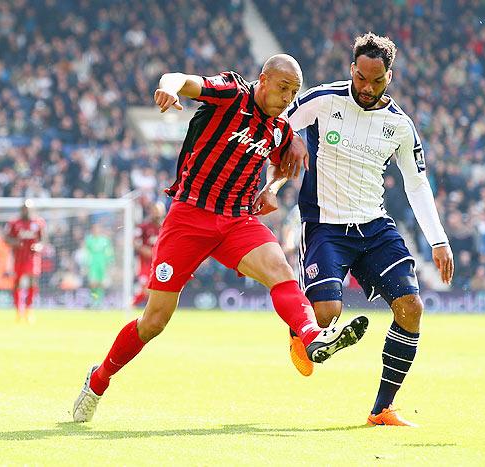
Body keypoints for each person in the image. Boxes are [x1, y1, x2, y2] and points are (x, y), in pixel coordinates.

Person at [72, 54, 368, 422]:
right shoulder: (231, 93)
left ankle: (311, 336)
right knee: (154, 322)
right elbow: (179, 74)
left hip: (236, 221)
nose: (287, 98)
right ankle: (98, 380)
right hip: (190, 217)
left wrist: (272, 186)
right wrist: (167, 87)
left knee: (280, 269)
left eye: (293, 92)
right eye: (282, 88)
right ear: (262, 79)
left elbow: (282, 166)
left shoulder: (279, 130)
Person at [267, 34, 454, 426]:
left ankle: (382, 408)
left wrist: (438, 239)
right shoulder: (323, 100)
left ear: (390, 76)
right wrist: (276, 177)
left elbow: (417, 184)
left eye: (377, 81)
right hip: (325, 227)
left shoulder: (399, 126)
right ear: (352, 68)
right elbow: (276, 123)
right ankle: (300, 325)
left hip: (374, 226)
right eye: (361, 77)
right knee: (326, 314)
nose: (367, 88)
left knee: (411, 308)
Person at [5, 201, 45, 323]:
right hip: (18, 258)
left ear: (32, 209)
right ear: (21, 210)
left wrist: (39, 246)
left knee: (33, 282)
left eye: (28, 209)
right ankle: (18, 311)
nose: (26, 211)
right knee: (17, 283)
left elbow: (43, 240)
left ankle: (28, 310)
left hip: (32, 258)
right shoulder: (14, 223)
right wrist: (14, 242)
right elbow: (7, 238)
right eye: (24, 209)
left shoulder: (38, 223)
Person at [132, 202, 165, 306]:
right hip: (145, 263)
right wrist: (143, 249)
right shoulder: (144, 226)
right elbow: (134, 242)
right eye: (155, 210)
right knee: (146, 289)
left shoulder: (166, 227)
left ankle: (133, 304)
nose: (157, 213)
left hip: (160, 264)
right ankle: (131, 304)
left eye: (159, 211)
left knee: (154, 290)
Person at [84, 223, 115, 308]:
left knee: (101, 284)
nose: (96, 230)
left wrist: (110, 262)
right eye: (94, 228)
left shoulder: (104, 240)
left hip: (102, 265)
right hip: (93, 265)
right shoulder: (89, 240)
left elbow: (109, 252)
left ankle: (99, 302)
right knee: (93, 284)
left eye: (98, 228)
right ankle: (94, 300)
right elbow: (86, 252)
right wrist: (85, 264)